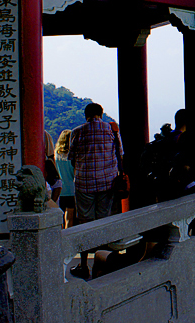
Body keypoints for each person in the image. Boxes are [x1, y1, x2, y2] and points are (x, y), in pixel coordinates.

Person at [68, 103, 124, 279]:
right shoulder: (111, 130)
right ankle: (103, 264)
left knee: (85, 224)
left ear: (86, 115)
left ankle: (84, 264)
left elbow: (71, 158)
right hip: (107, 183)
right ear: (101, 114)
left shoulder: (77, 131)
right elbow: (120, 154)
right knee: (104, 221)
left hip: (84, 184)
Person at [54, 129, 75, 227]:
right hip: (71, 189)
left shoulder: (56, 155)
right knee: (69, 217)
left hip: (59, 190)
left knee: (59, 217)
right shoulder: (72, 155)